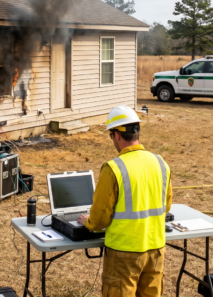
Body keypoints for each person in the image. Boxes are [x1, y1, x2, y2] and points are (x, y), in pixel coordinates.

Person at [77, 106, 172, 297]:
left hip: (124, 253)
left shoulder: (113, 169)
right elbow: (166, 205)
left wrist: (87, 221)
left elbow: (100, 219)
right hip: (155, 249)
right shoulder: (160, 163)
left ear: (117, 135)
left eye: (111, 135)